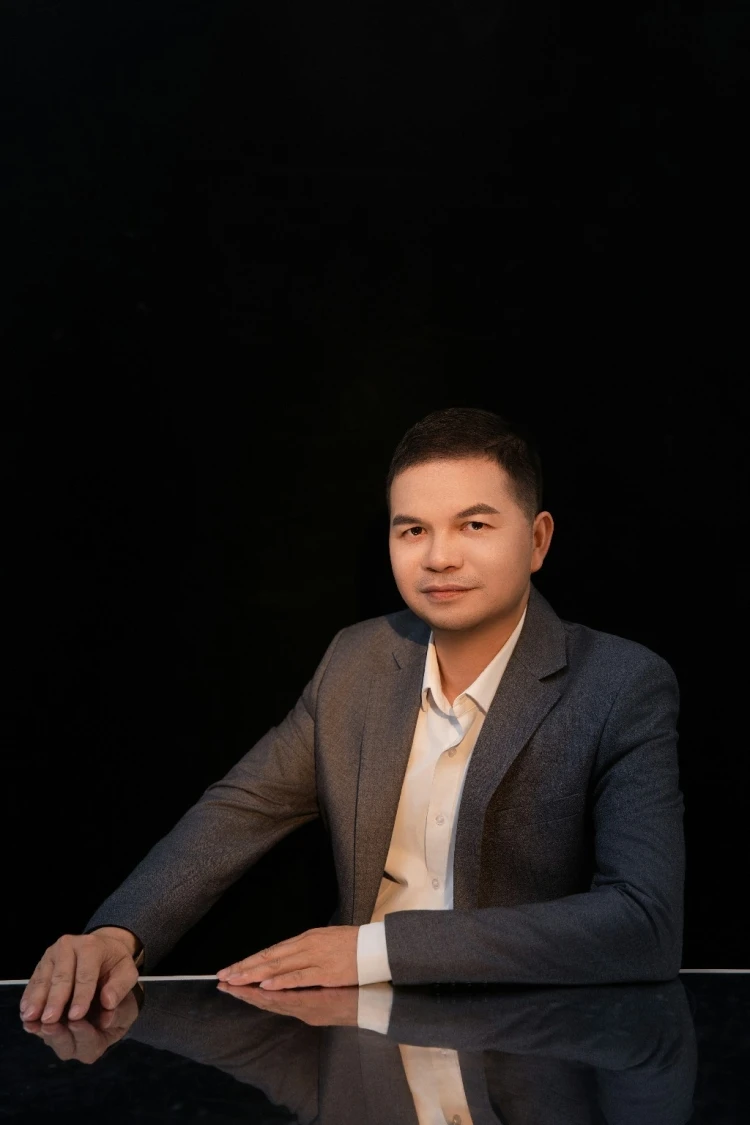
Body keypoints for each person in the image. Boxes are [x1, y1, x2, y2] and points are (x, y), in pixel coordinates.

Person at [19, 406, 685, 1026]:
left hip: (525, 1046)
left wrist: (376, 950)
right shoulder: (356, 661)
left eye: (474, 525)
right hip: (352, 1039)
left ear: (537, 540)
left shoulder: (620, 684)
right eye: (413, 530)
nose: (439, 557)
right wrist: (120, 933)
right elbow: (240, 809)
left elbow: (644, 924)